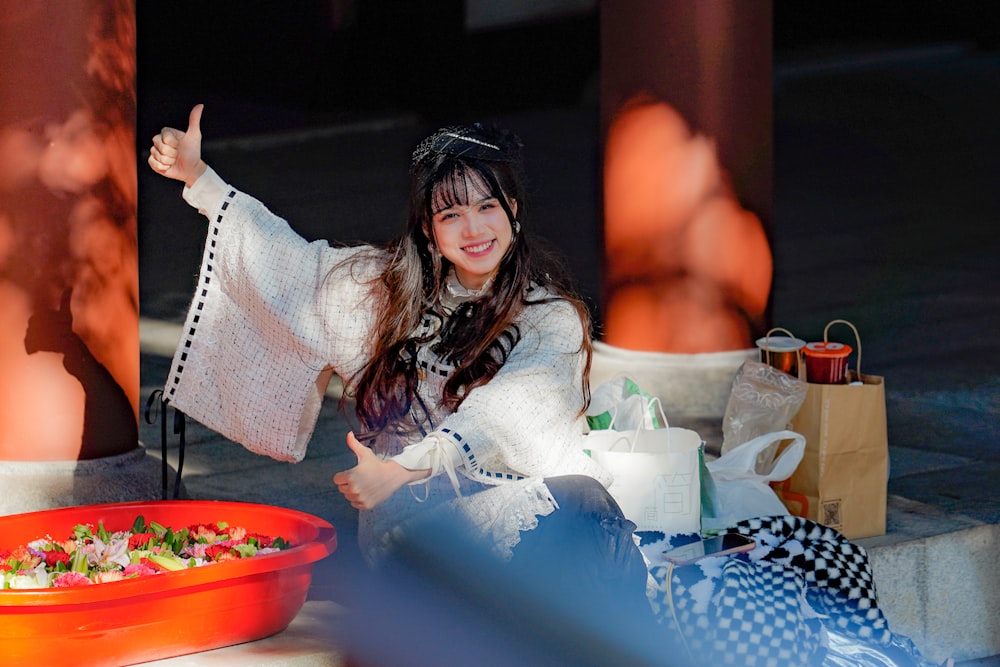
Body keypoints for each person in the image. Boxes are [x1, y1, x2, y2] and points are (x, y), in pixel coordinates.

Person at [147, 105, 663, 662]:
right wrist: (199, 179)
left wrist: (401, 467)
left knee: (586, 511)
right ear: (427, 226)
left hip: (513, 507)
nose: (474, 229)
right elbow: (291, 267)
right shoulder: (385, 291)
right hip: (418, 523)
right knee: (583, 530)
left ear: (513, 212)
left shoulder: (548, 314)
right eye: (452, 214)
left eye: (489, 207)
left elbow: (510, 411)